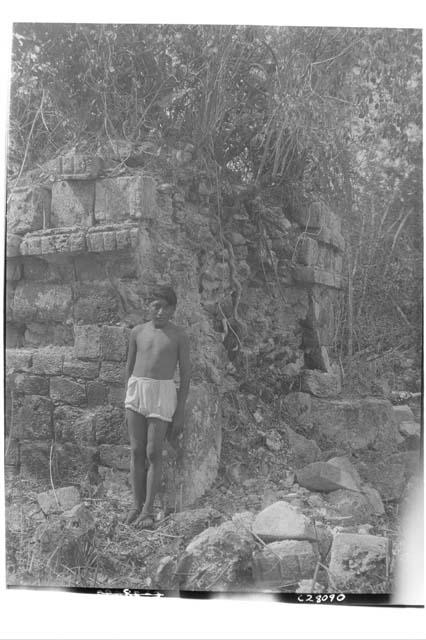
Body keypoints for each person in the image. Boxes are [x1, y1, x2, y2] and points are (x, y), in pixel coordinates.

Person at [123, 285, 191, 528]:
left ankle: (149, 511)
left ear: (173, 310)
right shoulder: (137, 333)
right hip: (136, 391)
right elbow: (129, 369)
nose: (161, 312)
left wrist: (180, 410)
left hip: (162, 393)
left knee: (153, 452)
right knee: (136, 450)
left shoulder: (178, 336)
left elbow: (186, 374)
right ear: (148, 306)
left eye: (166, 307)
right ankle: (136, 505)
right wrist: (127, 400)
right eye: (156, 306)